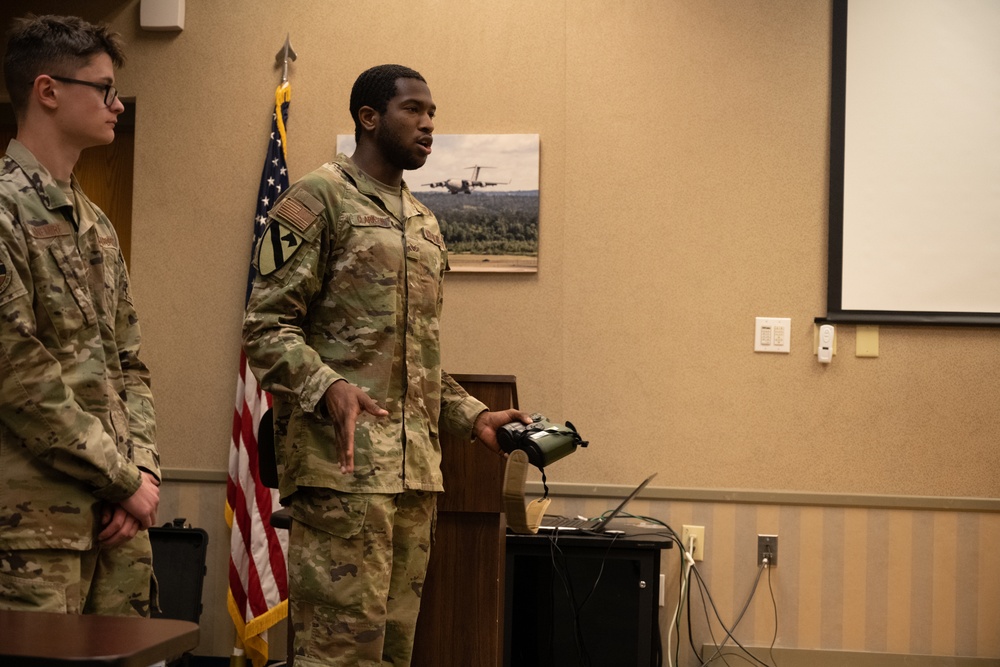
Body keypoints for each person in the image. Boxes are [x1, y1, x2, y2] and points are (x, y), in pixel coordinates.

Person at [242, 64, 529, 666]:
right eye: (413, 111)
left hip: (414, 481)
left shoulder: (423, 222)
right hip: (342, 477)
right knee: (336, 658)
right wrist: (328, 385)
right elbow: (266, 328)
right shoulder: (317, 199)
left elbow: (413, 360)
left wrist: (474, 417)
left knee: (394, 657)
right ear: (368, 118)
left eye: (433, 115)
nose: (428, 125)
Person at [0, 15, 160, 617]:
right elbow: (19, 378)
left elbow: (131, 365)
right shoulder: (4, 212)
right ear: (48, 91)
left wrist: (140, 472)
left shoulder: (96, 225)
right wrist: (122, 480)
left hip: (117, 524)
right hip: (34, 533)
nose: (117, 105)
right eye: (104, 90)